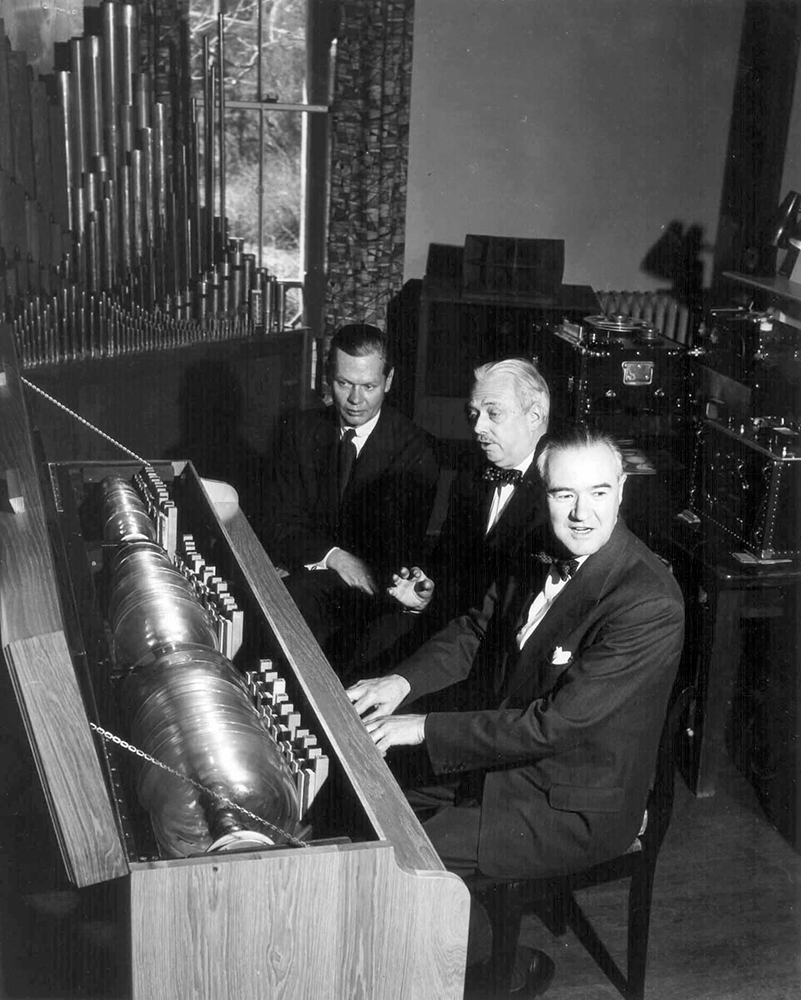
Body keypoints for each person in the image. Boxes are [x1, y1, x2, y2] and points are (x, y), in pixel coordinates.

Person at [347, 424, 685, 995]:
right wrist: (402, 683)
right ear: (542, 491)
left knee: (392, 862)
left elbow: (554, 725)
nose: (582, 513)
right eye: (563, 494)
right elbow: (478, 629)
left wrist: (421, 726)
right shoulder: (541, 546)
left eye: (599, 492)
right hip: (509, 763)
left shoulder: (647, 601)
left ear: (622, 490)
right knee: (367, 798)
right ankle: (482, 950)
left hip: (571, 801)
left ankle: (486, 975)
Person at [348, 357, 550, 676]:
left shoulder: (560, 492)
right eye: (474, 414)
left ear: (535, 416)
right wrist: (426, 591)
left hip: (502, 655)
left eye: (493, 413)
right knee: (365, 650)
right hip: (452, 628)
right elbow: (448, 565)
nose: (478, 427)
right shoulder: (471, 476)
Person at [265, 323, 440, 660]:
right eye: (344, 383)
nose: (355, 400)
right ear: (329, 377)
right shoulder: (298, 432)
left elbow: (389, 550)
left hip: (369, 596)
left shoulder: (417, 450)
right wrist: (333, 556)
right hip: (305, 576)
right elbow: (278, 522)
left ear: (389, 381)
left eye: (369, 386)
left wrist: (312, 560)